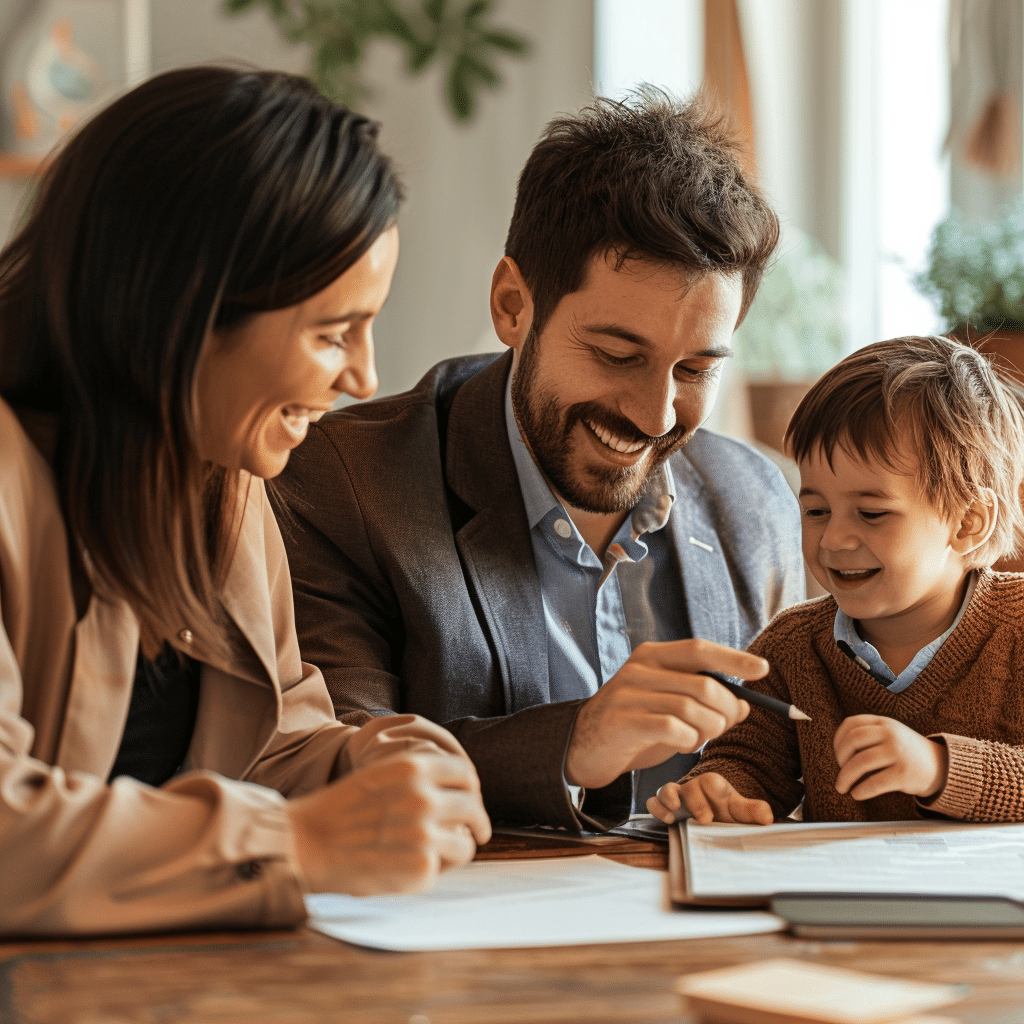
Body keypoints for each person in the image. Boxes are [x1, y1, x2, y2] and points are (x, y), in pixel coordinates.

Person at [0, 66, 491, 936]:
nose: (363, 377)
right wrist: (297, 840)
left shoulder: (225, 481)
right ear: (181, 311)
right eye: (332, 331)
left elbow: (267, 747)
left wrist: (364, 766)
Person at [276, 90, 805, 832]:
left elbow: (785, 757)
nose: (655, 415)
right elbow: (325, 764)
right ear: (512, 305)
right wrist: (574, 744)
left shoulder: (757, 503)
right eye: (617, 355)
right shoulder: (344, 482)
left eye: (694, 371)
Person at [649, 335, 1024, 826]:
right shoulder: (791, 645)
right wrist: (720, 790)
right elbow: (748, 759)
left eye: (871, 513)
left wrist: (939, 768)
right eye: (816, 510)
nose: (835, 539)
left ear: (967, 522)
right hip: (836, 898)